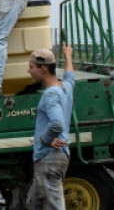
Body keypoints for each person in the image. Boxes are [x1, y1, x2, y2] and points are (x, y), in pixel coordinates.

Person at [26, 44, 74, 210]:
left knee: (54, 206)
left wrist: (45, 139)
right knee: (34, 203)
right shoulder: (65, 87)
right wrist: (68, 56)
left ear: (44, 69)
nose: (29, 71)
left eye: (32, 67)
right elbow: (70, 77)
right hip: (53, 157)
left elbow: (57, 124)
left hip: (49, 157)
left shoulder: (51, 94)